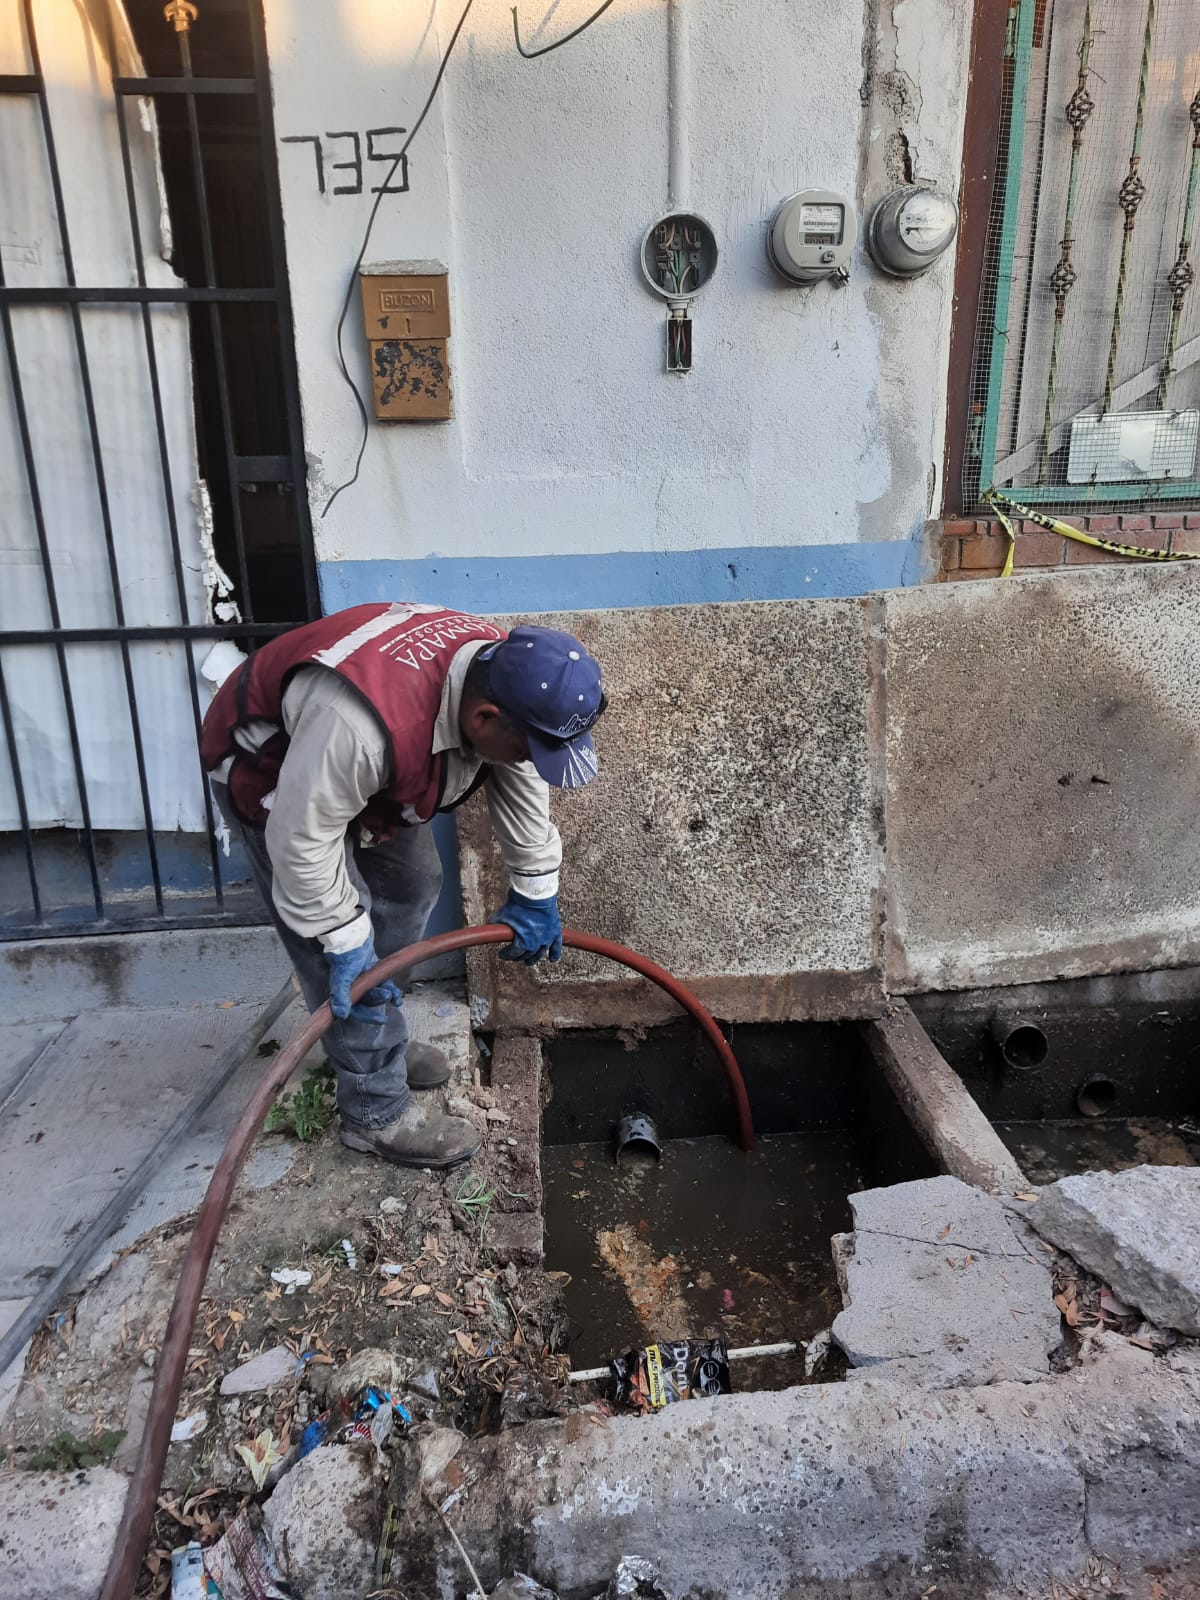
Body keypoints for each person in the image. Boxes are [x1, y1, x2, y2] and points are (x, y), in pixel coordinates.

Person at [201, 602, 605, 1170]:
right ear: (483, 720)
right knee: (339, 940)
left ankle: (375, 1039)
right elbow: (302, 839)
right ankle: (374, 1109)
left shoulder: (505, 675)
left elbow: (519, 767)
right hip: (275, 771)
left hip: (354, 764)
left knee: (415, 882)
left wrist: (536, 889)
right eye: (527, 746)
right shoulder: (363, 729)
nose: (528, 761)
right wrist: (343, 939)